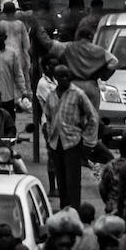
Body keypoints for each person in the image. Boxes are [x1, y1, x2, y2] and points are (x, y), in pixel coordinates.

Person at [44, 64, 95, 210]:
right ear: (56, 78)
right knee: (61, 178)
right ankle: (64, 208)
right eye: (61, 76)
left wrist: (88, 140)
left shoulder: (78, 94)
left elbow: (92, 116)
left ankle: (74, 209)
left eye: (67, 76)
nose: (64, 79)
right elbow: (48, 117)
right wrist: (49, 136)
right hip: (56, 142)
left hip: (73, 141)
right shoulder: (51, 95)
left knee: (73, 178)